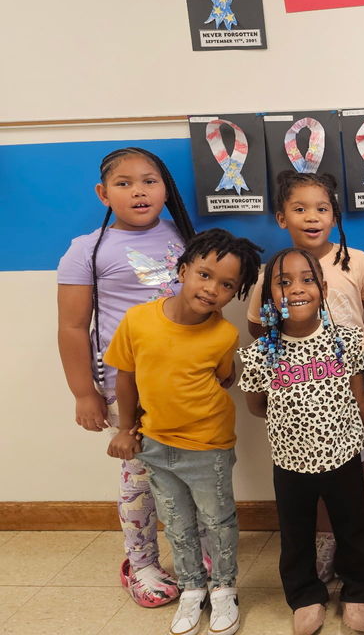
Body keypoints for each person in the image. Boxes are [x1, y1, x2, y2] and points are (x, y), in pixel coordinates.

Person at [57, 146, 195, 608]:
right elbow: (73, 327)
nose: (139, 190)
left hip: (188, 384)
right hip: (128, 387)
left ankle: (193, 556)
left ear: (165, 188)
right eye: (124, 183)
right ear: (103, 193)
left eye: (149, 181)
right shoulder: (86, 251)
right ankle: (141, 564)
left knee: (192, 473)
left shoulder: (183, 235)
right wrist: (83, 393)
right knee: (139, 476)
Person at [106, 228, 262, 635]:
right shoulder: (138, 319)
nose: (213, 289)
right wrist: (126, 429)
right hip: (156, 445)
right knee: (176, 523)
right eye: (205, 275)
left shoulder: (224, 334)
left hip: (209, 446)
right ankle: (192, 589)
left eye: (227, 285)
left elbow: (223, 379)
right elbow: (126, 376)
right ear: (182, 269)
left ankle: (224, 588)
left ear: (235, 294)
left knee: (218, 520)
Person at [247, 170, 364, 581]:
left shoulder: (355, 260)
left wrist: (355, 350)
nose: (312, 216)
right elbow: (259, 326)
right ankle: (325, 541)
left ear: (334, 214)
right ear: (281, 218)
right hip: (301, 392)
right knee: (311, 471)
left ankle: (352, 542)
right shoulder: (272, 271)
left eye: (322, 208)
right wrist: (286, 351)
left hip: (348, 382)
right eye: (300, 208)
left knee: (354, 466)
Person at [240, 248, 364, 634]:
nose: (296, 289)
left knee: (352, 529)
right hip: (290, 463)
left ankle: (359, 591)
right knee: (295, 534)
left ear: (321, 287)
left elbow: (362, 397)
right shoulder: (261, 353)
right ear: (269, 296)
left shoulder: (347, 340)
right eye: (283, 282)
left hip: (344, 456)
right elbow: (256, 406)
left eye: (307, 279)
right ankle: (305, 596)